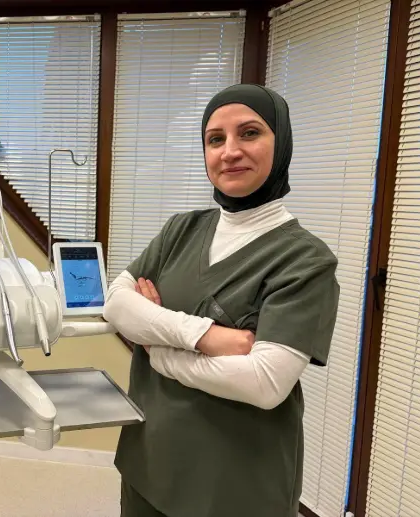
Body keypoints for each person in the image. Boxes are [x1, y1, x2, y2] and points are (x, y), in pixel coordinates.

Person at [102, 84, 340, 517]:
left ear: (281, 142)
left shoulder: (305, 260)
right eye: (215, 139)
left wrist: (157, 347)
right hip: (149, 461)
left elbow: (263, 383)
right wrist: (206, 337)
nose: (230, 151)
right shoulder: (181, 230)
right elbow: (117, 303)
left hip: (235, 485)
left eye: (249, 133)